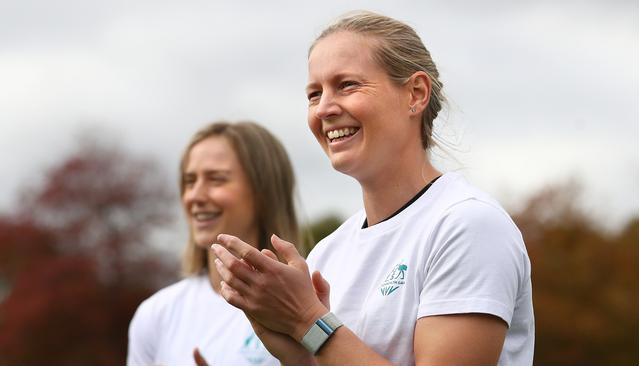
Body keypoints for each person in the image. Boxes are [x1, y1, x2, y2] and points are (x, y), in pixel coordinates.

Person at [212, 11, 534, 366]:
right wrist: (293, 350)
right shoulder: (327, 253)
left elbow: (316, 329)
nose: (324, 109)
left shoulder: (468, 225)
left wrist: (306, 320)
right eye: (313, 94)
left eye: (347, 85)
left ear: (416, 93)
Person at [127, 121, 301, 365]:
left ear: (263, 192)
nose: (195, 196)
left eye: (216, 179)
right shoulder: (156, 314)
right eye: (189, 181)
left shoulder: (310, 304)